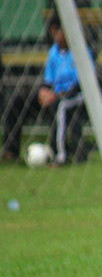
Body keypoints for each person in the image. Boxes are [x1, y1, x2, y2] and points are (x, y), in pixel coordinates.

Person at [2, 15, 94, 165]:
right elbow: (48, 81)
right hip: (54, 95)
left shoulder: (81, 51)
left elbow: (83, 83)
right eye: (53, 31)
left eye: (59, 30)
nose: (56, 34)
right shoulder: (53, 52)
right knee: (17, 101)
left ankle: (60, 156)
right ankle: (11, 151)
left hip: (76, 95)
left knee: (61, 105)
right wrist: (44, 91)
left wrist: (57, 94)